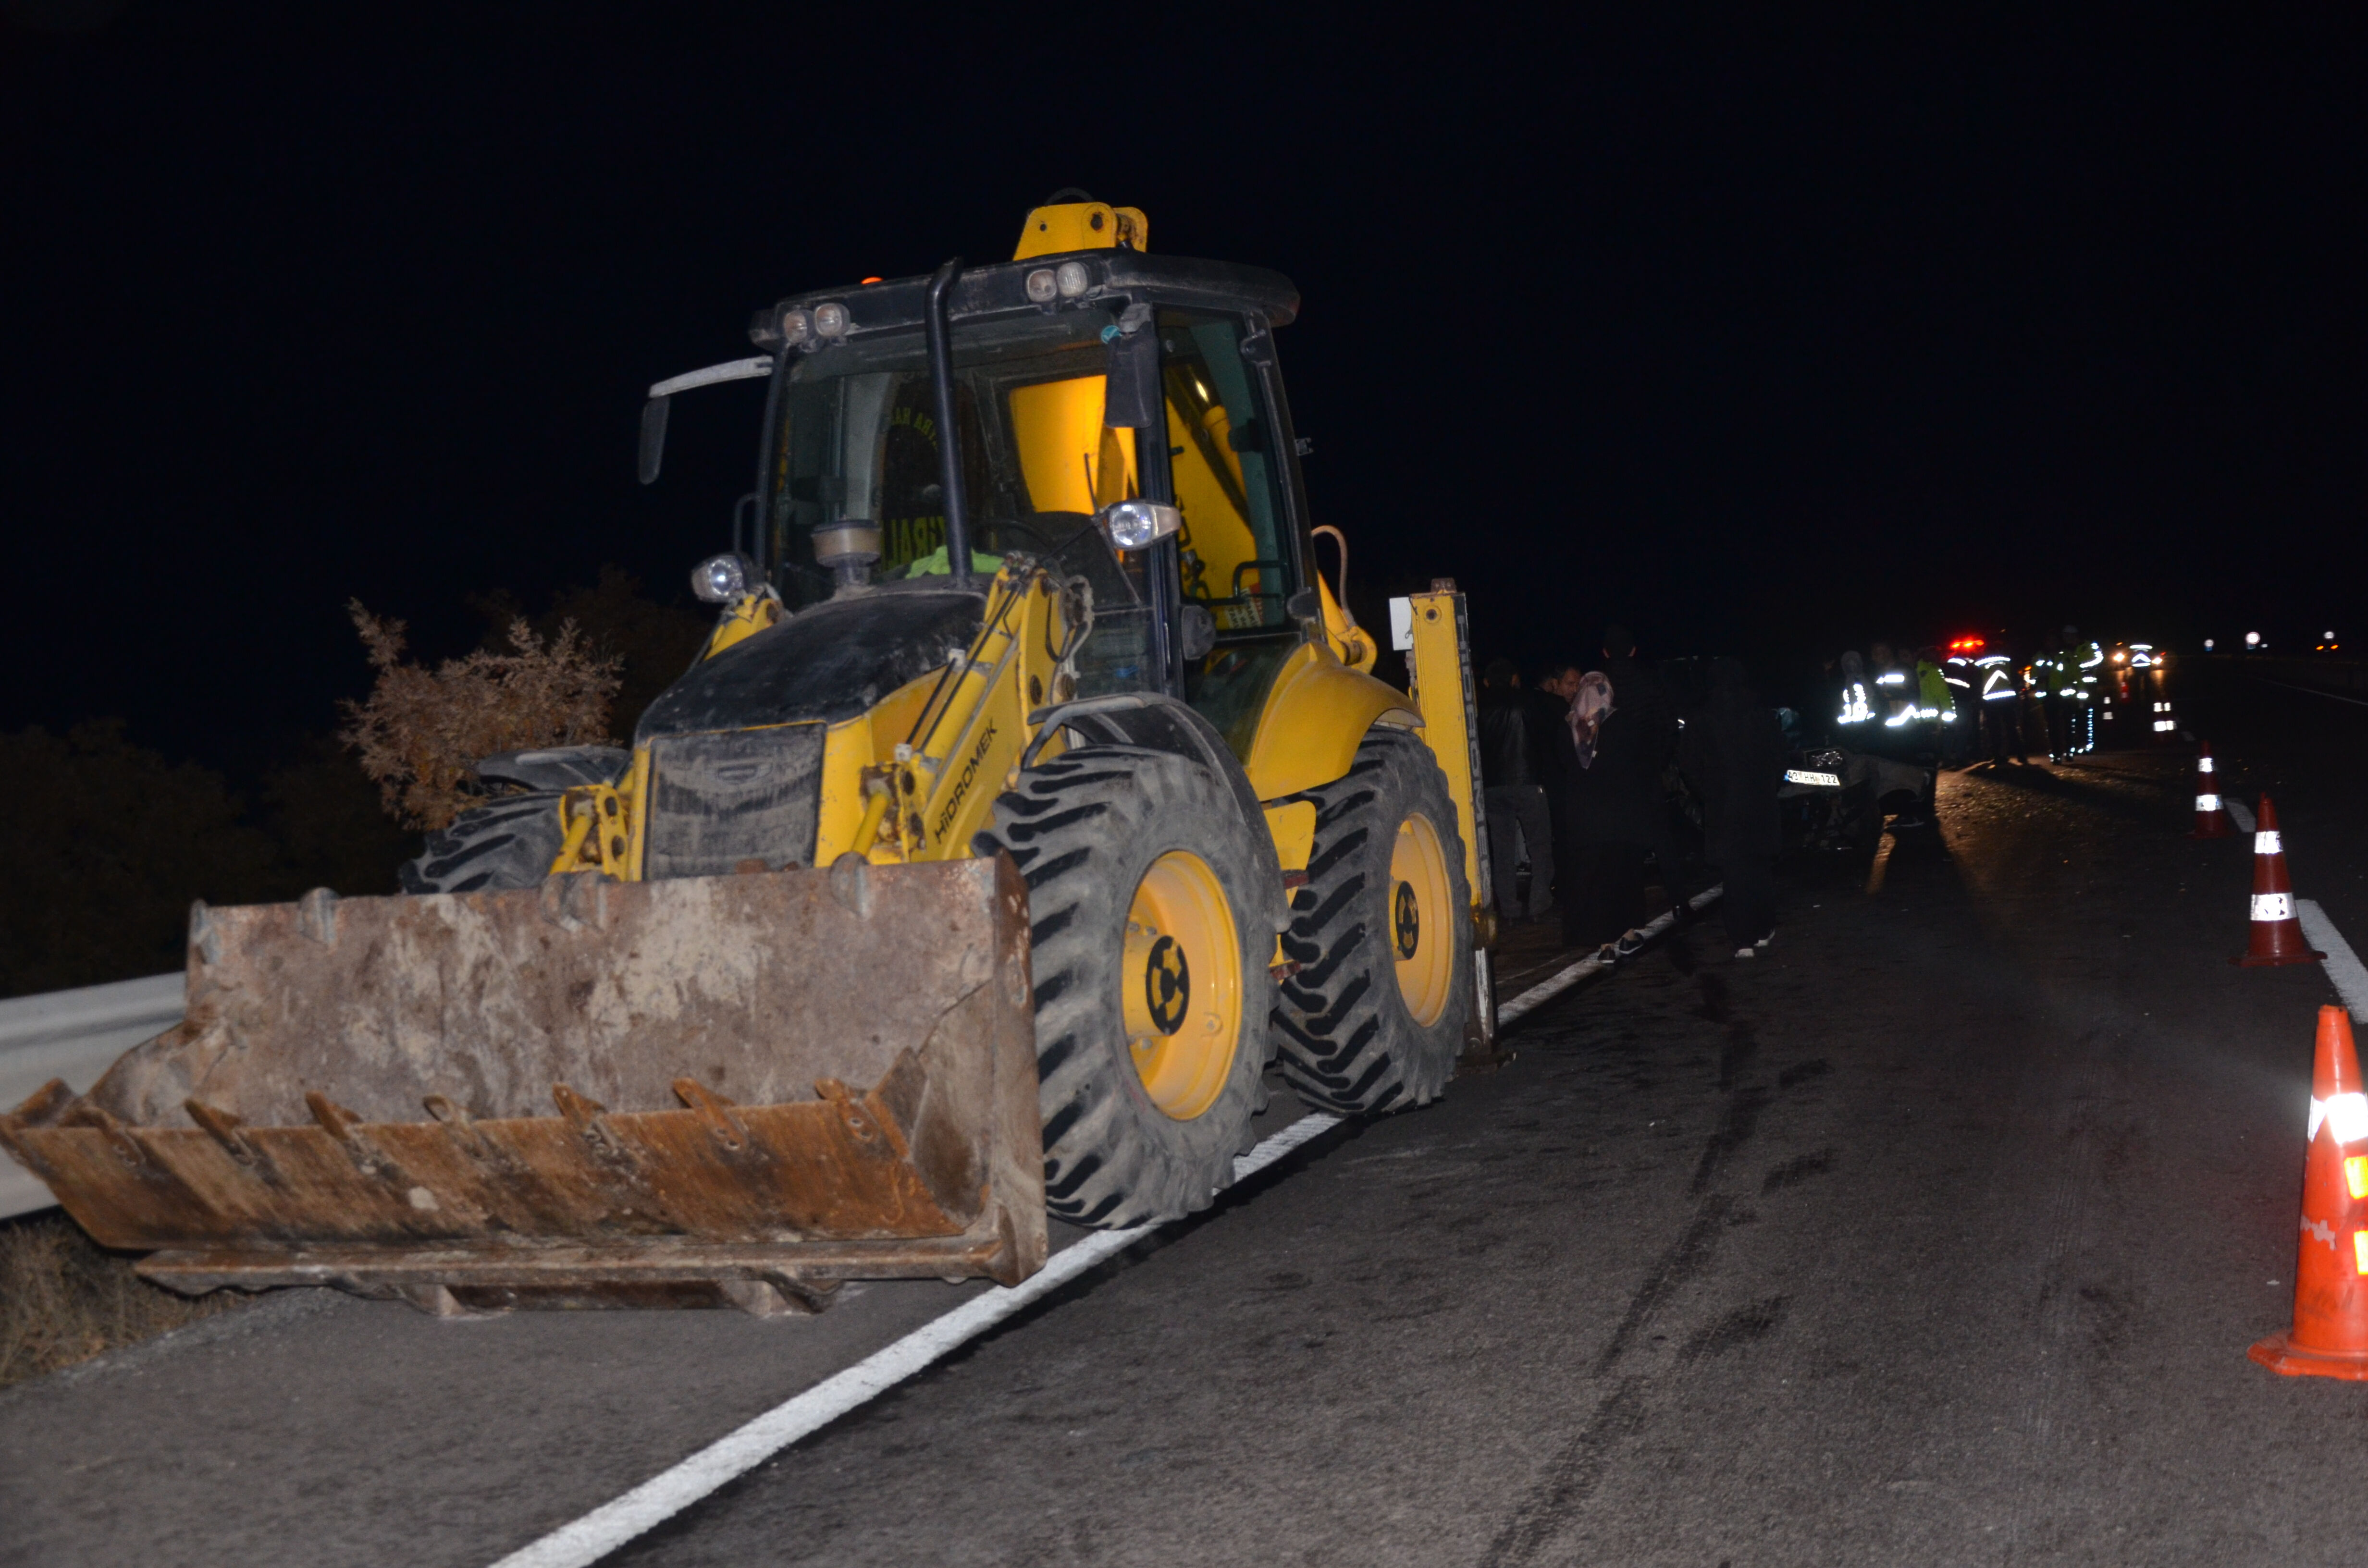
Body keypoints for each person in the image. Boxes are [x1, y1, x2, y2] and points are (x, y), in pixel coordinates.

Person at [1679, 658, 1786, 957]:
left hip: (1723, 803)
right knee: (1760, 865)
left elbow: (1688, 764)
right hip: (1759, 802)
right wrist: (1768, 785)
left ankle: (1743, 939)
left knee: (1735, 871)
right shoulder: (1761, 715)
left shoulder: (1702, 718)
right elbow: (1780, 757)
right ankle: (1764, 928)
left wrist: (1708, 793)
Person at [1557, 670, 1653, 957]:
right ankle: (1627, 933)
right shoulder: (1621, 723)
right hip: (1620, 816)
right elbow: (1638, 767)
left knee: (1593, 879)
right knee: (1621, 876)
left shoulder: (1569, 727)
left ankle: (1604, 944)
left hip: (1584, 820)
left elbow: (1561, 771)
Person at [1598, 625, 1690, 903]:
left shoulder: (1600, 684)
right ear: (1634, 650)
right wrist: (1660, 760)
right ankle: (1679, 897)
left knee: (1622, 837)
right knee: (1661, 833)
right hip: (1647, 765)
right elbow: (1669, 724)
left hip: (1614, 770)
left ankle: (1627, 903)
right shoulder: (1651, 680)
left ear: (1605, 652)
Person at [1477, 658, 1560, 921]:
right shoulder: (1528, 702)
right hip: (1528, 782)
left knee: (1502, 852)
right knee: (1540, 847)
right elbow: (1544, 740)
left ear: (1486, 682)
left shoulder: (1478, 709)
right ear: (1514, 679)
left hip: (1493, 787)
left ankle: (1510, 910)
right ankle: (1539, 905)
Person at [1975, 653, 2027, 766]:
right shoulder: (2006, 660)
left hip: (1989, 700)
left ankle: (1998, 756)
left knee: (1994, 730)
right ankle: (2021, 754)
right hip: (2007, 697)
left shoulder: (1980, 663)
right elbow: (2016, 679)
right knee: (2012, 727)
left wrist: (1979, 700)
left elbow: (1977, 682)